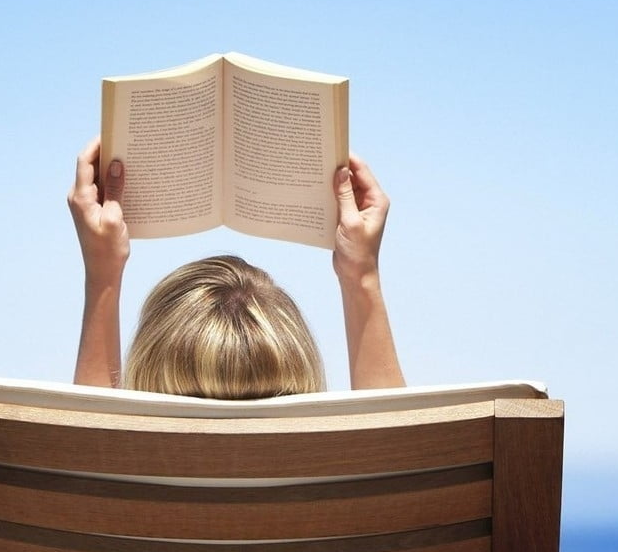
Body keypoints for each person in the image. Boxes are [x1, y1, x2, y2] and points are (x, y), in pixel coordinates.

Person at [67, 137, 405, 397]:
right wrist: (361, 278)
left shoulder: (112, 477)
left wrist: (102, 278)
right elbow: (392, 443)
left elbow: (91, 438)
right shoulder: (358, 479)